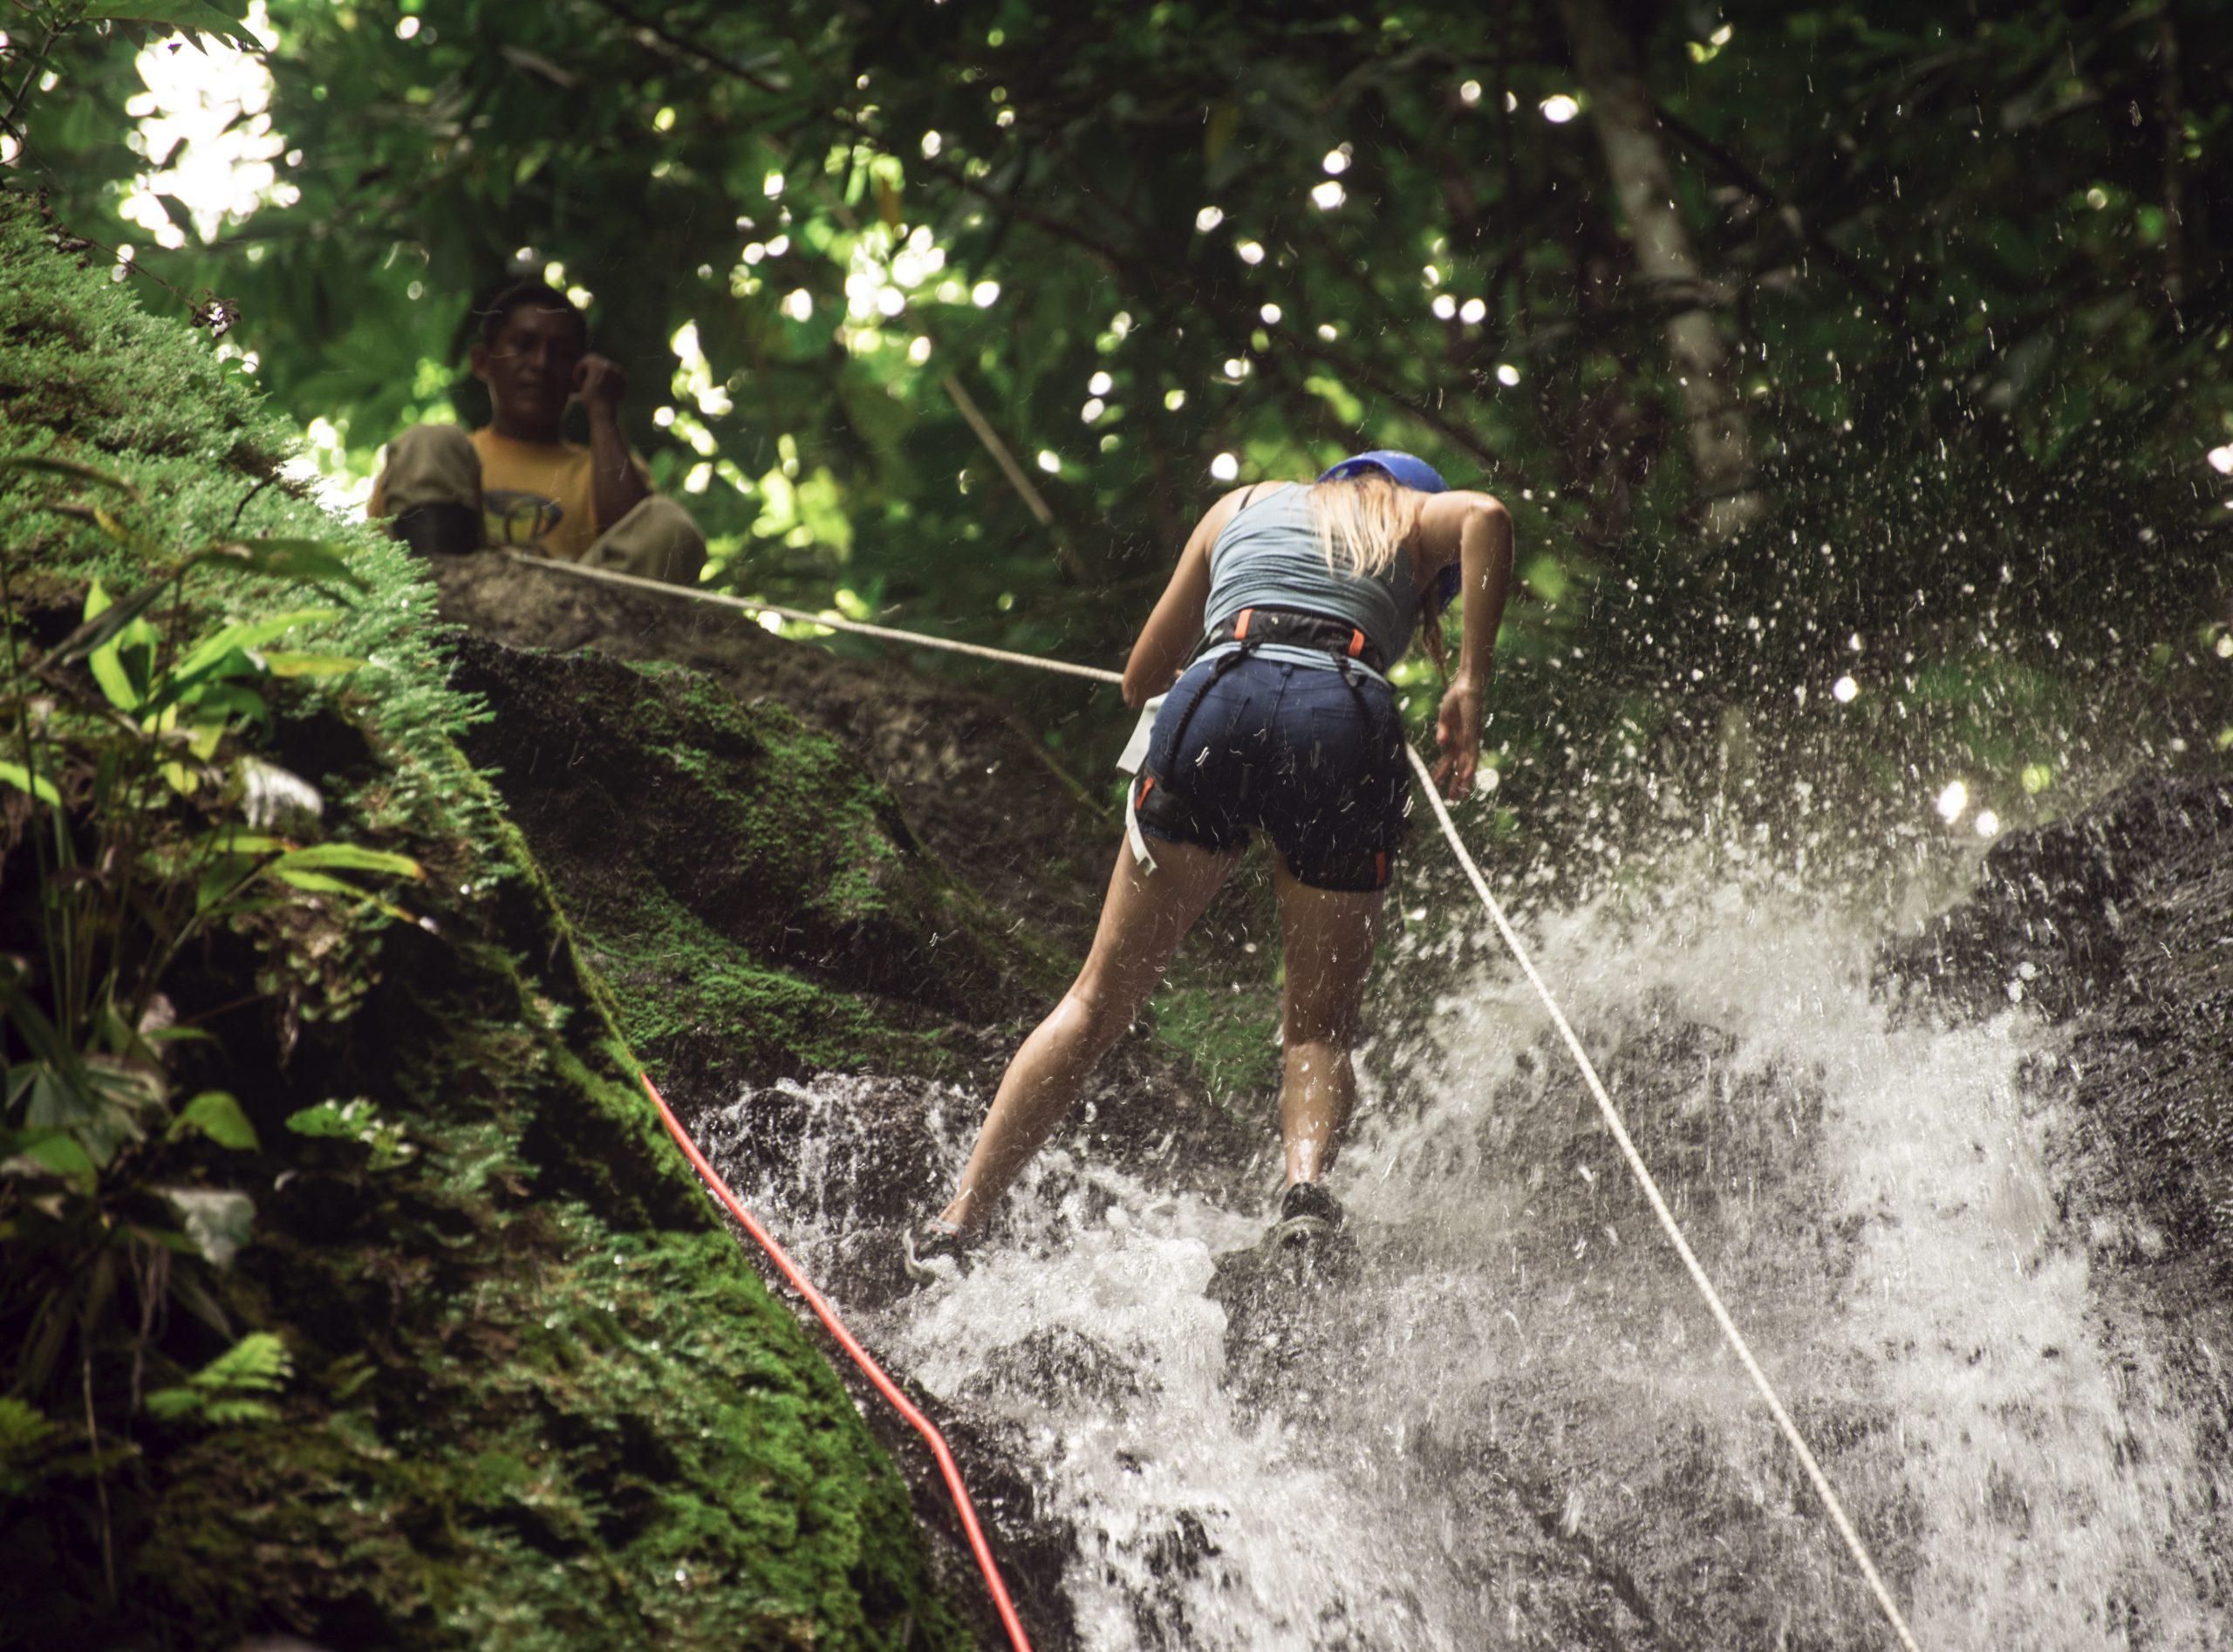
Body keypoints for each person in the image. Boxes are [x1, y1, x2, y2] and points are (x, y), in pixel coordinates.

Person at [905, 451, 1513, 1280]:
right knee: (1318, 1030)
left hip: (1216, 695)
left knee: (1095, 1001)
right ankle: (1304, 1199)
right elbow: (1487, 518)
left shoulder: (1241, 505)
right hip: (1344, 714)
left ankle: (957, 1221)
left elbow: (1138, 681)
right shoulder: (1411, 516)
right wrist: (1470, 681)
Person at [367, 278, 707, 585]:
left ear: (577, 374)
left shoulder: (600, 468)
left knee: (667, 523)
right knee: (428, 440)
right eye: (524, 345)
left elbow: (645, 539)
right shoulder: (444, 463)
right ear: (483, 362)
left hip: (572, 622)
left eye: (561, 354)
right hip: (467, 603)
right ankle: (443, 606)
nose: (541, 363)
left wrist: (602, 413)